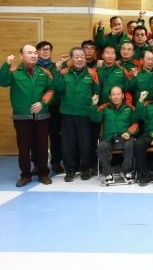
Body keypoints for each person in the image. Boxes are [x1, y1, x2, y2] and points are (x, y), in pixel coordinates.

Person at [0, 45, 55, 186]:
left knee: (42, 147)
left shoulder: (44, 72)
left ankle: (43, 173)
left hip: (41, 116)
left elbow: (51, 90)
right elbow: (3, 82)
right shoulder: (14, 71)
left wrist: (42, 103)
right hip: (22, 117)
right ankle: (25, 175)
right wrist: (6, 64)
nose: (34, 55)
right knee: (24, 148)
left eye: (35, 53)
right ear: (21, 55)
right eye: (29, 53)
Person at [54, 47, 100, 182]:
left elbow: (96, 90)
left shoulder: (92, 73)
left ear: (86, 58)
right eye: (76, 56)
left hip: (85, 114)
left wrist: (93, 105)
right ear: (71, 58)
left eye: (82, 56)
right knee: (68, 144)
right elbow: (59, 88)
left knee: (85, 143)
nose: (80, 59)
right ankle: (70, 169)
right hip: (67, 114)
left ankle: (85, 168)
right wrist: (57, 71)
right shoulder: (64, 72)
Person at [90, 86, 137, 184]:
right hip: (108, 138)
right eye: (113, 94)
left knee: (131, 144)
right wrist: (94, 105)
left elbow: (135, 124)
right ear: (110, 97)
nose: (116, 97)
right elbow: (95, 119)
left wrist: (129, 133)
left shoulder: (130, 108)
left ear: (123, 95)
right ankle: (108, 174)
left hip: (125, 137)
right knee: (102, 147)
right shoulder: (104, 108)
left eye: (118, 94)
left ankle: (126, 172)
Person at [36, 40, 63, 173]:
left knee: (55, 135)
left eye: (48, 49)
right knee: (37, 137)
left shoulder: (56, 67)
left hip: (54, 107)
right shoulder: (33, 67)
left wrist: (58, 70)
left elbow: (60, 87)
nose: (46, 51)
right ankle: (37, 164)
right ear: (37, 52)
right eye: (43, 49)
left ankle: (56, 162)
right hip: (38, 107)